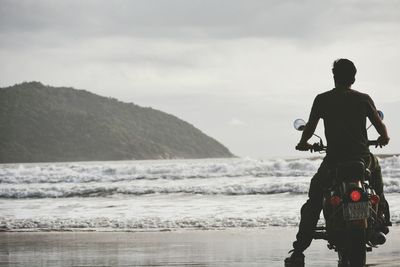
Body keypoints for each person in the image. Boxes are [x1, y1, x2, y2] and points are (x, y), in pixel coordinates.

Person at [284, 58, 391, 266]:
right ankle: (381, 219)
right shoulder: (363, 99)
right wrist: (382, 140)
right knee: (377, 186)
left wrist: (303, 143)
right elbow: (383, 131)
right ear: (353, 78)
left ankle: (299, 250)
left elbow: (310, 129)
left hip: (334, 161)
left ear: (334, 76)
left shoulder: (322, 99)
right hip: (362, 159)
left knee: (314, 199)